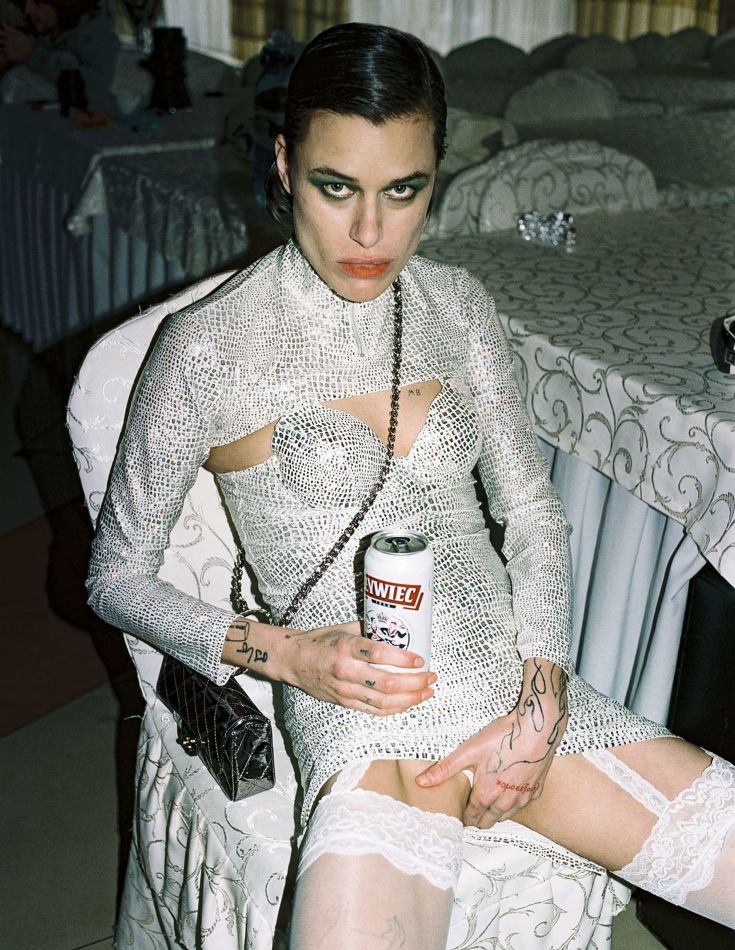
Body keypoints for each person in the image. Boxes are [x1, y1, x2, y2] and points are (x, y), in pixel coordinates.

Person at [85, 21, 735, 948]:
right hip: (362, 723)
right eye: (335, 186)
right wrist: (287, 657)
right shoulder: (207, 347)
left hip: (513, 694)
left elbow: (532, 514)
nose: (369, 232)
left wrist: (542, 700)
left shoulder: (456, 305)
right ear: (284, 164)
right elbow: (113, 577)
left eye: (404, 190)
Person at [0, 0, 119, 114]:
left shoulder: (98, 37)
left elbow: (94, 89)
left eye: (37, 1)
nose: (28, 9)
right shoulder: (43, 37)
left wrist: (32, 55)